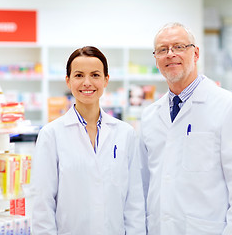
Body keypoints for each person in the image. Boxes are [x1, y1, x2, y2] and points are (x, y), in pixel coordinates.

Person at [139, 22, 232, 235]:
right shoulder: (150, 116)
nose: (170, 54)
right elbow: (146, 185)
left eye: (179, 46)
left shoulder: (229, 107)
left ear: (195, 53)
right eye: (162, 50)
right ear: (156, 59)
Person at [31, 46, 146, 235]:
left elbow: (134, 202)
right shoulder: (51, 134)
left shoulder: (125, 134)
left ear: (106, 80)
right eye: (78, 75)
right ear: (68, 81)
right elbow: (42, 204)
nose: (87, 82)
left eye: (95, 75)